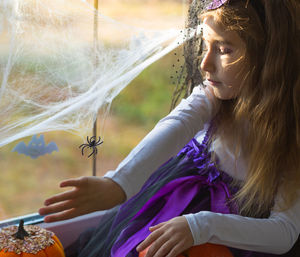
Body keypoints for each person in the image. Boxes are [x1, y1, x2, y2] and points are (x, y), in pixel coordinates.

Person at [39, 0, 300, 256]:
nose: (204, 64)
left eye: (223, 49)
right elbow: (177, 124)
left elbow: (284, 232)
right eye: (206, 45)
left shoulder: (292, 138)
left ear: (269, 57)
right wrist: (119, 183)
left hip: (233, 232)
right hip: (177, 201)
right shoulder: (214, 97)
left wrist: (200, 226)